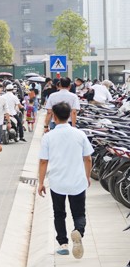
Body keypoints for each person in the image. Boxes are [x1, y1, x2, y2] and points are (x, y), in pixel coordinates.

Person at [38, 101, 94, 258]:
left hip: (57, 182)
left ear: (54, 117)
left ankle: (63, 243)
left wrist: (41, 182)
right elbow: (88, 159)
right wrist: (87, 177)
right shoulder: (79, 134)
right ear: (70, 115)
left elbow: (43, 161)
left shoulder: (48, 137)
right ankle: (78, 232)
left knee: (59, 213)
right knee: (79, 213)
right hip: (77, 180)